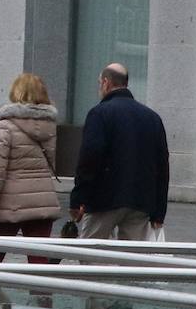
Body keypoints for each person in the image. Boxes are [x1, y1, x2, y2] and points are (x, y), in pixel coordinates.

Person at [70, 62, 170, 241]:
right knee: (132, 259)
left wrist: (78, 199)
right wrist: (159, 211)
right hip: (141, 201)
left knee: (90, 254)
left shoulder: (99, 113)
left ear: (106, 83)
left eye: (99, 82)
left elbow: (89, 159)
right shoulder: (152, 117)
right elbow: (162, 166)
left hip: (104, 200)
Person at [0, 73, 60, 264]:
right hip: (42, 200)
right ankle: (41, 294)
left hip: (9, 204)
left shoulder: (4, 127)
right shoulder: (50, 127)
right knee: (39, 261)